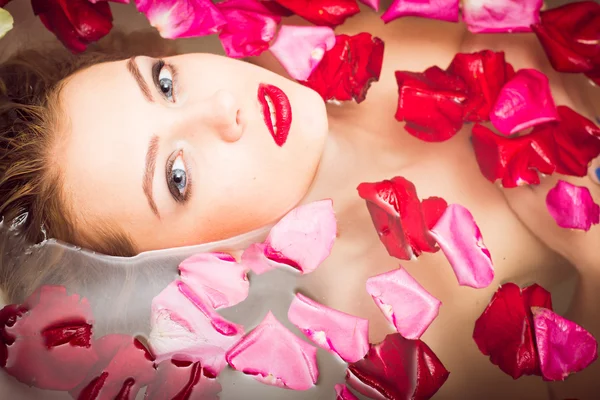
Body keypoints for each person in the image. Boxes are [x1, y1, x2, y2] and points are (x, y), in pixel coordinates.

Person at [0, 8, 598, 400]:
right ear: (188, 265)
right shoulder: (411, 343)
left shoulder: (323, 22)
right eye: (178, 176)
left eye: (163, 82)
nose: (223, 110)